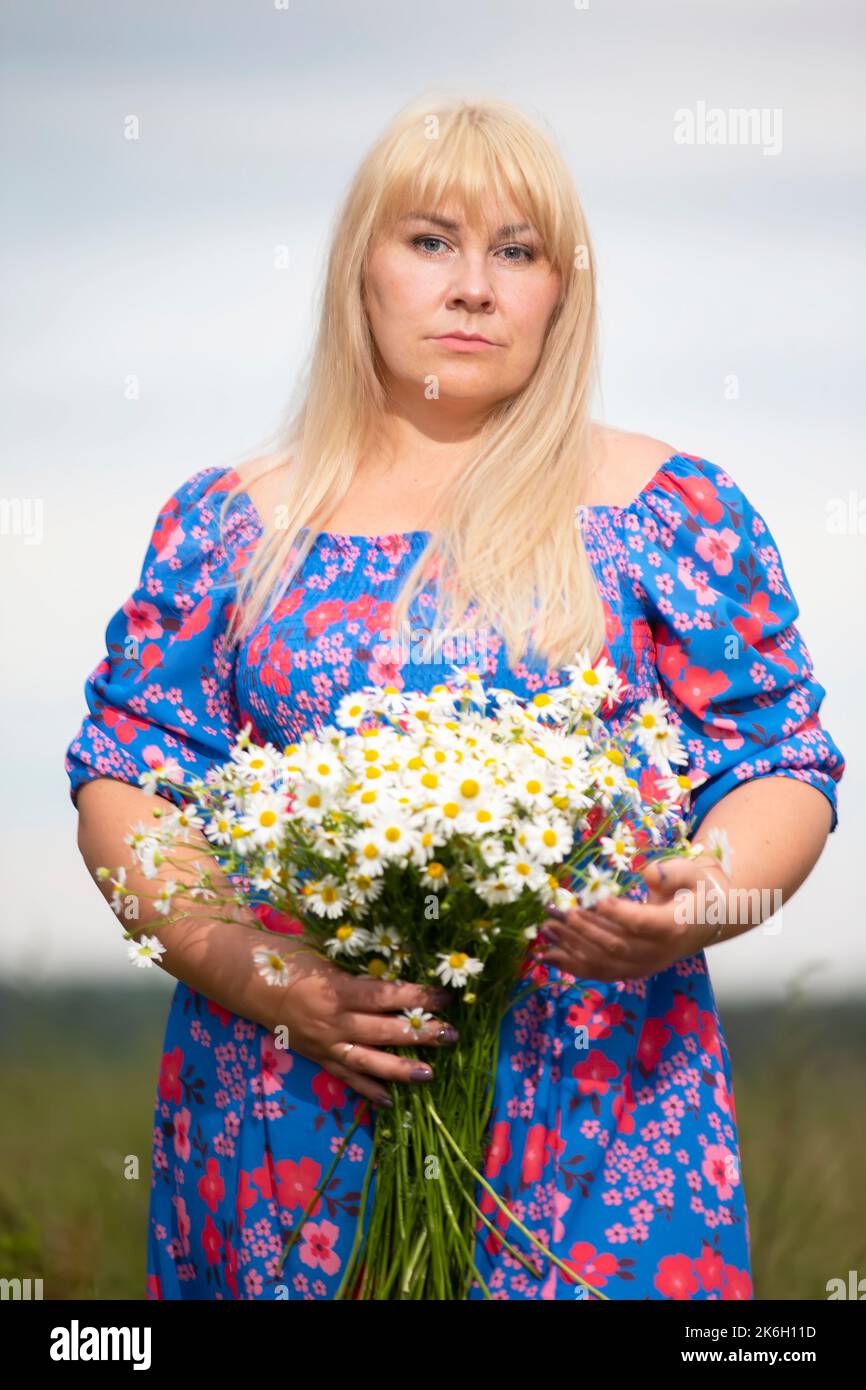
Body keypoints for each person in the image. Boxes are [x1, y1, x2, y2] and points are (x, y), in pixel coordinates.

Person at [66, 95, 845, 1301]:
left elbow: (779, 760)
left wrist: (703, 898)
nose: (472, 287)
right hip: (289, 1102)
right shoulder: (230, 521)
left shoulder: (667, 508)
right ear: (358, 272)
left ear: (558, 291)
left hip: (599, 1106)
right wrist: (264, 980)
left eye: (517, 251)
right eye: (430, 241)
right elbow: (128, 777)